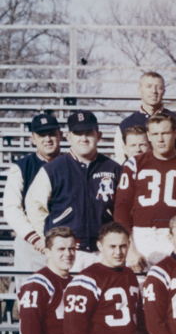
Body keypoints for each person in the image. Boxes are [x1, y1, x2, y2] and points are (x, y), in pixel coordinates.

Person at [25, 110, 121, 271]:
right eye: (78, 133)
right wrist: (48, 238)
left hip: (103, 250)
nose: (83, 138)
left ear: (99, 135)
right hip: (68, 252)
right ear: (69, 137)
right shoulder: (53, 169)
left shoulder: (114, 168)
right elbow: (34, 205)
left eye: (89, 133)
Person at [115, 113, 176, 271]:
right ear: (148, 135)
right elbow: (122, 207)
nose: (160, 139)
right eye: (155, 134)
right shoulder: (135, 163)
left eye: (165, 133)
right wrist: (130, 248)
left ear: (175, 133)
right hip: (142, 236)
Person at [4, 112, 63, 272]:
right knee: (31, 293)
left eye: (52, 134)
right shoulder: (21, 167)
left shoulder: (71, 164)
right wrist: (35, 238)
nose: (47, 139)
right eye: (42, 135)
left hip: (65, 242)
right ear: (33, 139)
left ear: (61, 135)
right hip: (32, 242)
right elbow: (11, 208)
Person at [117, 71, 176, 160]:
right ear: (139, 90)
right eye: (149, 86)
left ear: (163, 91)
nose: (154, 91)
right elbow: (120, 161)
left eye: (158, 87)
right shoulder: (125, 125)